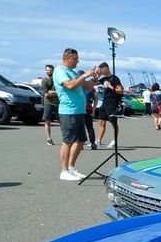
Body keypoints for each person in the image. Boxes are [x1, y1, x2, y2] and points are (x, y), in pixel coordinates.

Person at [53, 48, 96, 180]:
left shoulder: (73, 72)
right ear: (68, 57)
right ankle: (64, 170)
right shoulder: (60, 70)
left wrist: (94, 77)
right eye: (76, 58)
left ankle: (71, 167)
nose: (78, 61)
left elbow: (87, 86)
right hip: (68, 111)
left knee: (80, 140)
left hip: (79, 111)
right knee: (68, 140)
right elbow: (70, 86)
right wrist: (84, 75)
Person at [95, 62, 123, 148]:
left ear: (106, 68)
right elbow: (94, 82)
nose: (101, 72)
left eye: (101, 70)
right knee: (101, 122)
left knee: (113, 122)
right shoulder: (104, 79)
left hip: (112, 103)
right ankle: (98, 141)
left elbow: (120, 90)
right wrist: (97, 75)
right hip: (104, 102)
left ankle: (115, 140)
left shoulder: (114, 78)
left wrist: (111, 87)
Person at [40, 64, 59, 145]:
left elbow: (62, 92)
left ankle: (66, 138)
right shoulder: (44, 81)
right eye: (47, 70)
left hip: (58, 103)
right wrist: (56, 93)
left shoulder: (57, 80)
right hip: (48, 103)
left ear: (53, 71)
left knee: (62, 121)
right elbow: (46, 94)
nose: (49, 71)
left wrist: (53, 92)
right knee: (47, 121)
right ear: (45, 71)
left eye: (50, 70)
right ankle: (49, 138)